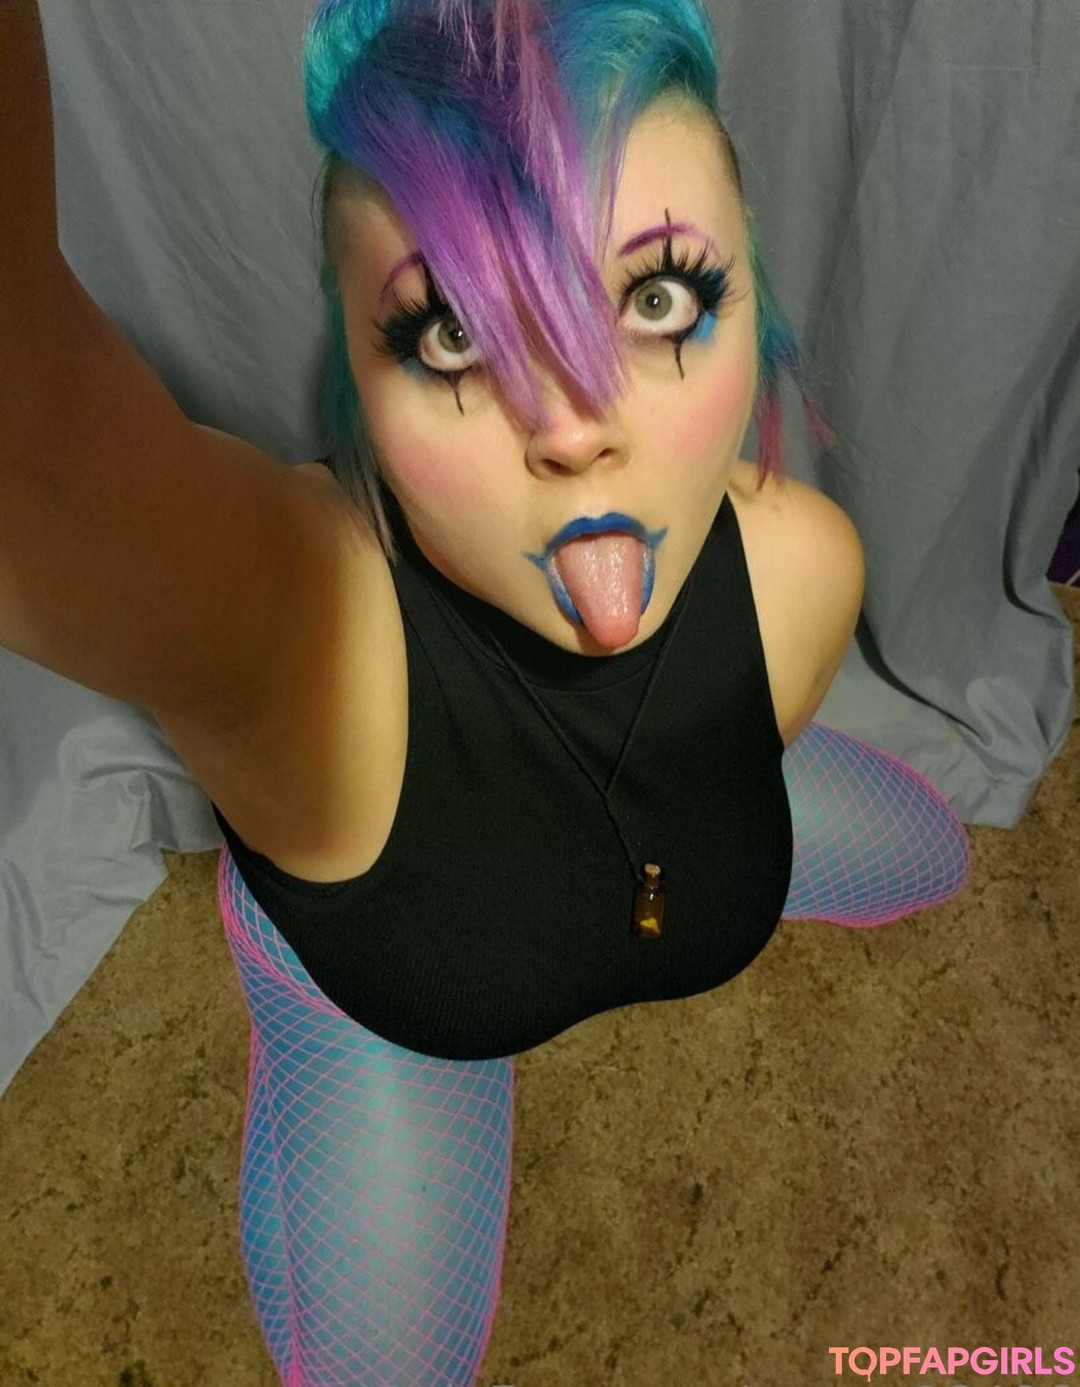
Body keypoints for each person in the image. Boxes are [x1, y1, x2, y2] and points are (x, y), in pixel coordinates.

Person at [2, 0, 970, 1382]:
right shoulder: (308, 648)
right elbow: (23, 436)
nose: (576, 427)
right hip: (385, 995)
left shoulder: (807, 571)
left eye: (657, 299)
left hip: (655, 830)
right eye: (452, 332)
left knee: (924, 850)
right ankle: (288, 950)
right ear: (358, 362)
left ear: (748, 292)